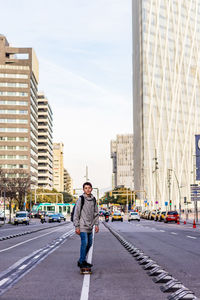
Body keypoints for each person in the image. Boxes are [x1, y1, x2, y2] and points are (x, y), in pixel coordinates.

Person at [73, 182, 99, 268]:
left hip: (90, 226)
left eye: (89, 188)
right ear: (83, 190)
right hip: (82, 225)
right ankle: (82, 261)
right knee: (85, 243)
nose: (87, 189)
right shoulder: (81, 199)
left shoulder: (94, 199)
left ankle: (82, 260)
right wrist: (77, 226)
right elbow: (76, 213)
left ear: (91, 189)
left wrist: (97, 224)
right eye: (86, 188)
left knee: (89, 243)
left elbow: (96, 213)